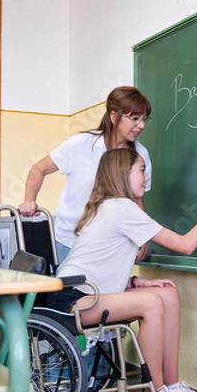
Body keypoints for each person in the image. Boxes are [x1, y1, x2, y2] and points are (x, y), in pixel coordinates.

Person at [47, 148, 197, 392]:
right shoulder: (121, 208)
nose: (147, 177)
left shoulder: (109, 206)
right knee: (152, 302)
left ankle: (172, 387)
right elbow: (185, 245)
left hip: (85, 292)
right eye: (142, 170)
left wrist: (137, 282)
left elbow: (101, 266)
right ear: (122, 173)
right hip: (71, 300)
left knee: (168, 294)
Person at [19, 86, 153, 262]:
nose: (141, 125)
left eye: (144, 119)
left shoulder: (140, 154)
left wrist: (142, 236)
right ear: (114, 117)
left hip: (111, 245)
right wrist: (30, 200)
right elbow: (39, 169)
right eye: (135, 118)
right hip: (69, 242)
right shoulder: (81, 144)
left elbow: (138, 200)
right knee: (70, 289)